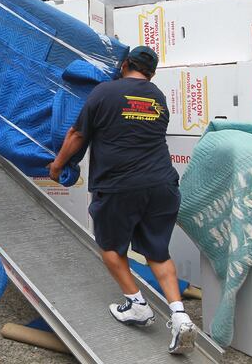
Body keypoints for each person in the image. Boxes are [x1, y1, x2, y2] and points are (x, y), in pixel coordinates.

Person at [48, 46, 196, 354]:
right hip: (162, 184)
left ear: (125, 65)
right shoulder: (158, 97)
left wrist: (58, 164)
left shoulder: (105, 92)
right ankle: (180, 316)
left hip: (119, 187)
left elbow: (77, 134)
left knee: (112, 249)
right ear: (151, 73)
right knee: (158, 252)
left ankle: (137, 304)